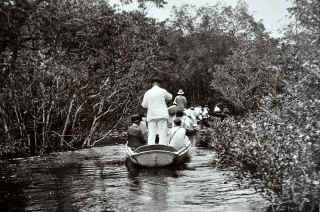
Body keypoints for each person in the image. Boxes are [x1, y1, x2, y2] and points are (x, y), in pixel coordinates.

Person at [141, 76, 172, 145]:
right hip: (162, 115)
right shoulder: (163, 91)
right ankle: (162, 147)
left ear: (152, 83)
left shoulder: (148, 92)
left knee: (151, 134)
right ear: (159, 83)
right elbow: (170, 97)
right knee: (162, 134)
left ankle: (151, 148)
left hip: (151, 115)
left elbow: (144, 105)